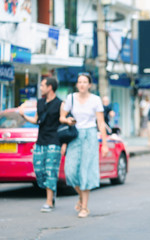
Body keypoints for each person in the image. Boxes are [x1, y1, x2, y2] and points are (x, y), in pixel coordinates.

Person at [60, 73, 109, 218]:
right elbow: (61, 117)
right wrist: (67, 120)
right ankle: (81, 196)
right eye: (79, 82)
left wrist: (104, 144)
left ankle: (85, 207)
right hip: (74, 135)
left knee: (86, 171)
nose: (81, 84)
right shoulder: (71, 98)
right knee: (70, 171)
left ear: (89, 85)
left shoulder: (96, 100)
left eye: (85, 82)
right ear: (77, 84)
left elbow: (100, 123)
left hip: (90, 136)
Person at [18, 77, 64, 213]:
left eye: (43, 85)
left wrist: (64, 144)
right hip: (40, 141)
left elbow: (62, 122)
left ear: (50, 87)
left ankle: (49, 201)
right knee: (39, 171)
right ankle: (51, 192)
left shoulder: (60, 104)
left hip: (54, 141)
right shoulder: (40, 102)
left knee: (50, 171)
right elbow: (37, 120)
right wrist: (24, 115)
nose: (41, 88)